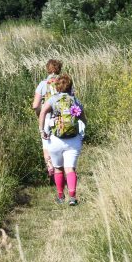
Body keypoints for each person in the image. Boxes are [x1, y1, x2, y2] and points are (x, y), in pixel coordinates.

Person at [39, 74, 86, 206]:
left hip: (55, 140)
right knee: (70, 169)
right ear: (70, 86)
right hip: (73, 140)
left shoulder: (53, 100)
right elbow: (83, 119)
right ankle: (72, 197)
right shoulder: (75, 100)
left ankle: (60, 196)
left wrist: (42, 130)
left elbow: (42, 113)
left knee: (58, 169)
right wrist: (82, 133)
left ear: (57, 86)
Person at [32, 59, 63, 179]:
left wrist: (41, 110)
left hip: (47, 117)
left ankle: (50, 168)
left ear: (48, 69)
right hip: (61, 117)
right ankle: (61, 168)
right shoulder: (64, 82)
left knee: (46, 144)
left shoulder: (43, 84)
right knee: (61, 142)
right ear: (59, 69)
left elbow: (35, 105)